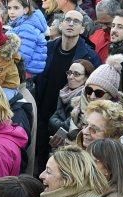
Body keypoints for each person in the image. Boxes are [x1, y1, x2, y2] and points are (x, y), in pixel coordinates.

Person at [33, 9, 102, 169]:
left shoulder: (90, 56)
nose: (71, 23)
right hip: (41, 114)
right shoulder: (47, 48)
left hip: (67, 123)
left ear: (83, 29)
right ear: (61, 24)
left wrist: (67, 127)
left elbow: (94, 96)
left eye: (76, 21)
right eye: (68, 19)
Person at [67, 57, 123, 149]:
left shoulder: (121, 115)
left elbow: (121, 148)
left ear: (111, 95)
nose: (92, 96)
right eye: (89, 90)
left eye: (99, 93)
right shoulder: (78, 107)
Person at [48, 59, 94, 144]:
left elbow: (65, 126)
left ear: (87, 78)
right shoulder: (64, 93)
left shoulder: (86, 99)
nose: (70, 77)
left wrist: (53, 122)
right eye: (69, 73)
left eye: (76, 74)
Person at [7, 0, 47, 77]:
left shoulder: (26, 28)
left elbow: (23, 56)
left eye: (16, 8)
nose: (11, 12)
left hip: (24, 73)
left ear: (25, 10)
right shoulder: (21, 24)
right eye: (9, 8)